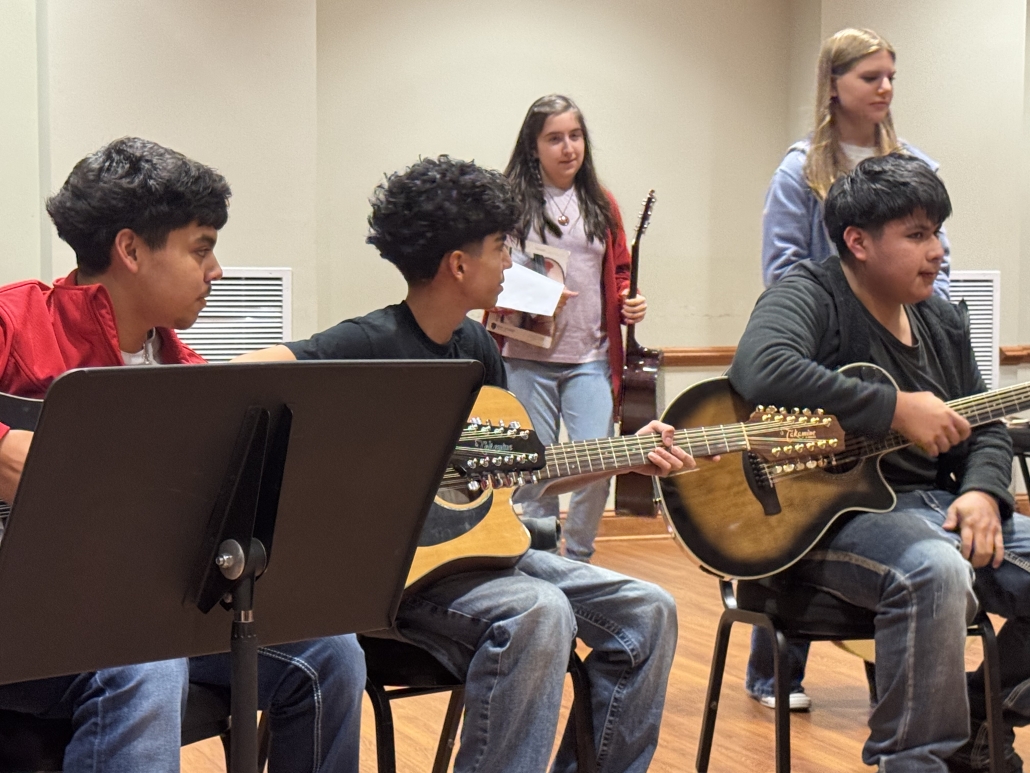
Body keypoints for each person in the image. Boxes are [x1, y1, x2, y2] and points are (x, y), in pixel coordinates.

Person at [236, 155, 685, 773]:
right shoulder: (370, 343)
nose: (511, 264)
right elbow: (242, 381)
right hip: (395, 581)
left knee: (649, 610)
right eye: (502, 248)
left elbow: (519, 471)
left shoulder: (474, 349)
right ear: (458, 264)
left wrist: (628, 457)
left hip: (479, 561)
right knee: (539, 611)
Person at [0, 137, 365, 772]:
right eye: (201, 249)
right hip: (26, 618)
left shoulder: (189, 375)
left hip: (138, 608)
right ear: (131, 250)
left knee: (330, 655)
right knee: (145, 659)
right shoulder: (16, 319)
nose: (216, 270)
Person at [729, 151, 1030, 772]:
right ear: (858, 242)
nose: (937, 251)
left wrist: (982, 491)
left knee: (941, 559)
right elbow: (760, 368)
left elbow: (985, 422)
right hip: (826, 524)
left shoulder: (940, 318)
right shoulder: (811, 294)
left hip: (937, 508)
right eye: (916, 235)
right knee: (935, 569)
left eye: (937, 233)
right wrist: (895, 407)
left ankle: (979, 717)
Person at [749, 27, 956, 712]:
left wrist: (930, 331)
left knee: (896, 513)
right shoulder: (799, 169)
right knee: (807, 500)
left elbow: (938, 264)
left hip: (895, 348)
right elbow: (784, 268)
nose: (885, 88)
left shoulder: (913, 162)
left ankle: (943, 703)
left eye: (891, 75)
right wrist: (838, 328)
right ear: (833, 84)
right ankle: (775, 672)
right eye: (870, 76)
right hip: (820, 351)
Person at [496, 94, 645, 563]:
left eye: (575, 136)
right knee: (534, 471)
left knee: (597, 466)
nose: (568, 148)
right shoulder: (509, 203)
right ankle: (537, 560)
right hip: (526, 358)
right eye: (555, 138)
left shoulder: (601, 202)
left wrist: (629, 299)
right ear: (533, 146)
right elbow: (489, 273)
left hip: (591, 357)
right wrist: (536, 295)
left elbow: (619, 270)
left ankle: (577, 560)